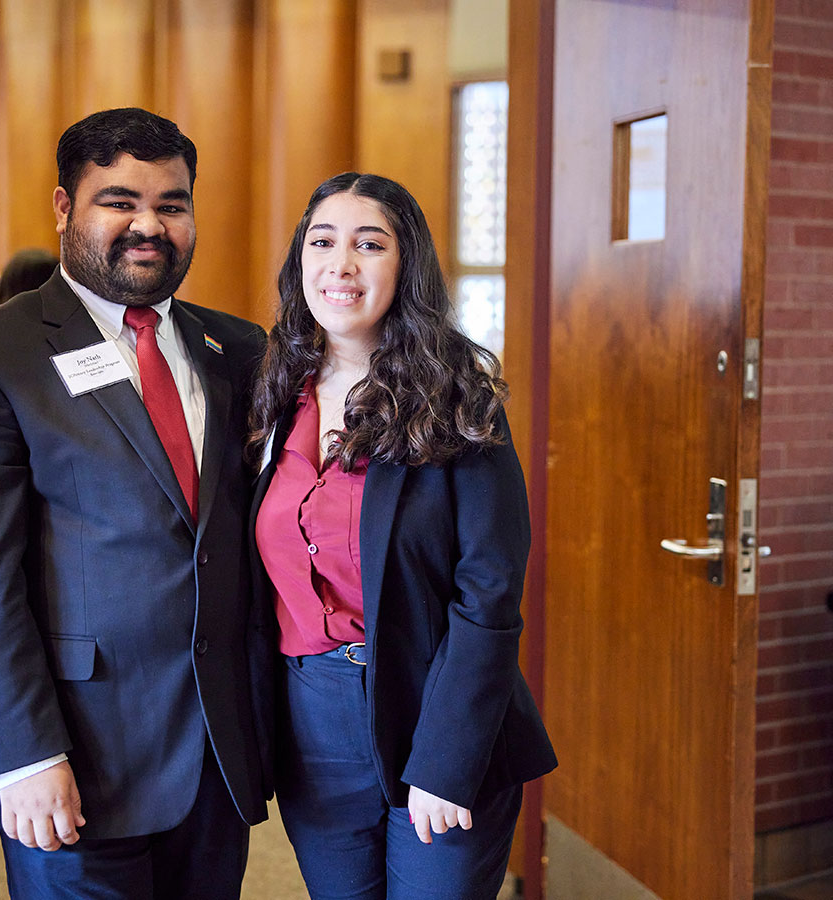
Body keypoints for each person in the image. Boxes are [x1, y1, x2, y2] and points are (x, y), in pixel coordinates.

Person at [0, 108, 272, 899]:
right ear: (65, 207)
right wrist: (22, 754)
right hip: (75, 757)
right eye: (120, 201)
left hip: (217, 755)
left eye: (172, 204)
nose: (149, 225)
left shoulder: (238, 349)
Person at [248, 172, 557, 899]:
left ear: (406, 264)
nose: (341, 265)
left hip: (435, 711)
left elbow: (489, 590)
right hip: (313, 723)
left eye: (370, 244)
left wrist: (446, 762)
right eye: (322, 242)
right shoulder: (271, 388)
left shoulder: (456, 397)